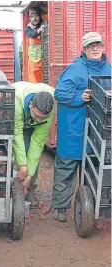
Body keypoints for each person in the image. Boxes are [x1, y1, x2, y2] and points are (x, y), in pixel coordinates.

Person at [52, 32, 111, 222]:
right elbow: (59, 93)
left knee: (95, 169)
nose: (95, 49)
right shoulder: (75, 69)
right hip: (73, 129)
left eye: (98, 45)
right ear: (84, 49)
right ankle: (60, 207)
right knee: (66, 168)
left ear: (103, 47)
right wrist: (80, 97)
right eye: (90, 46)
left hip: (98, 130)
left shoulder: (109, 69)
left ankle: (91, 207)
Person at [12, 81, 54, 206]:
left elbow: (37, 145)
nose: (39, 120)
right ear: (31, 105)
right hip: (17, 117)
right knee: (20, 150)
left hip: (30, 121)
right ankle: (15, 185)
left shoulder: (47, 113)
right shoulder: (16, 101)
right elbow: (17, 135)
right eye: (37, 115)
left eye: (42, 117)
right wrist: (23, 167)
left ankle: (28, 187)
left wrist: (29, 175)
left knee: (33, 152)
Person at [25, 7, 47, 83]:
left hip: (43, 58)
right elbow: (32, 34)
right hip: (32, 59)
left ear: (40, 16)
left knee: (42, 78)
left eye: (36, 16)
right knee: (33, 79)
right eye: (32, 17)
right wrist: (39, 30)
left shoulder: (43, 23)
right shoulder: (28, 28)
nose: (34, 19)